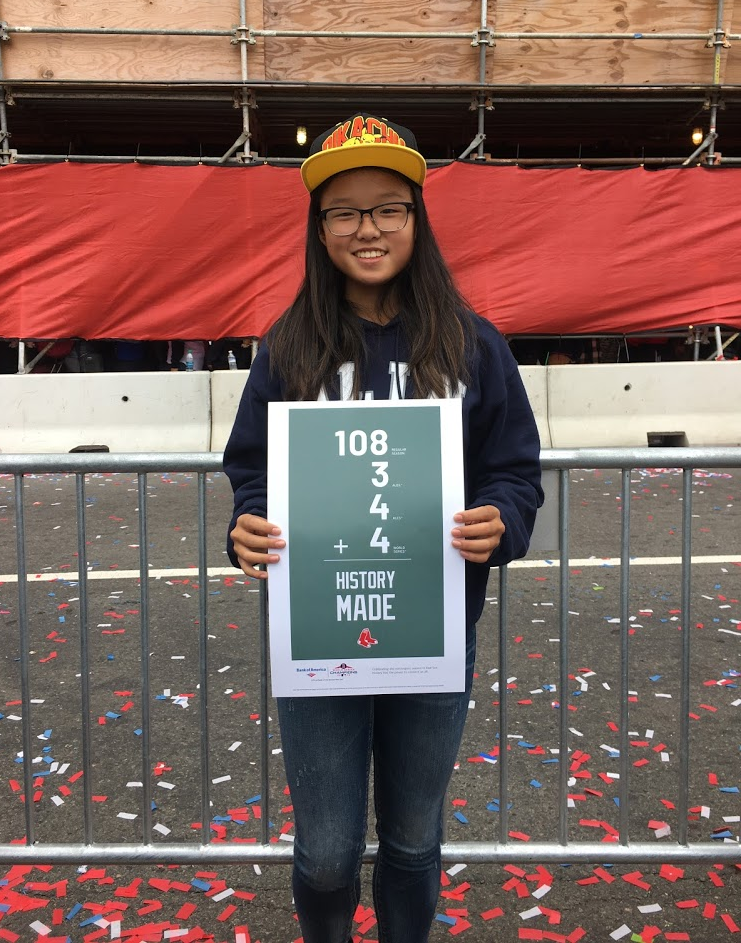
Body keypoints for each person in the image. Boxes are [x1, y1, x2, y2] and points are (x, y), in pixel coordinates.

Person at [223, 112, 543, 943]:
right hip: (316, 638)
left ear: (416, 219)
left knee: (411, 839)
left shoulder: (472, 344)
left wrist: (499, 520)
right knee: (326, 851)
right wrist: (245, 524)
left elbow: (513, 468)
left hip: (431, 634)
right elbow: (251, 468)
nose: (366, 228)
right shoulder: (288, 346)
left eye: (387, 207)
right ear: (319, 228)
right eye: (344, 210)